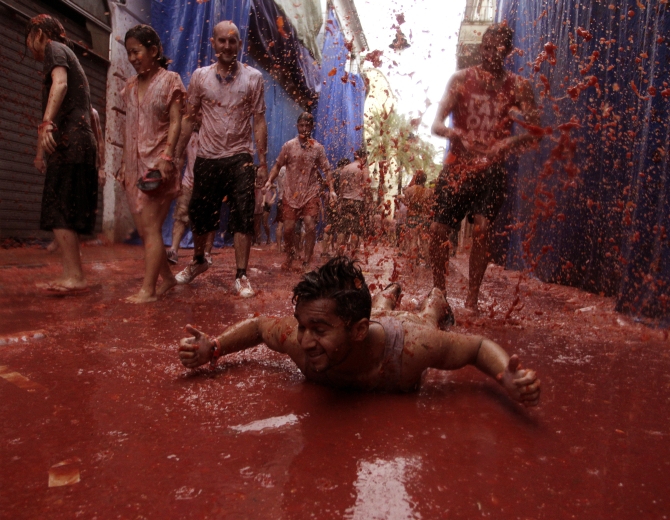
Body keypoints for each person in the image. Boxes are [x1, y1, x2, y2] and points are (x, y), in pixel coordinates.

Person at [178, 256, 541, 405]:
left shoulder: (416, 349)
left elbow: (476, 347)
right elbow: (259, 325)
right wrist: (214, 347)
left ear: (357, 331)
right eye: (303, 326)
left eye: (317, 329)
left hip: (400, 331)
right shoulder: (300, 341)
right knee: (379, 307)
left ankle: (435, 297)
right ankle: (387, 295)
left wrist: (503, 376)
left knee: (426, 314)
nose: (305, 340)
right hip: (370, 323)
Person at [430, 24, 541, 311]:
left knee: (482, 229)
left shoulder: (518, 86)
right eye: (488, 47)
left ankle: (471, 299)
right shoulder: (460, 79)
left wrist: (506, 144)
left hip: (492, 168)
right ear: (482, 48)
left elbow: (536, 130)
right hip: (457, 166)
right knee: (439, 230)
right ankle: (438, 293)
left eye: (499, 49)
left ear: (507, 51)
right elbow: (437, 125)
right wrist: (458, 135)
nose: (492, 54)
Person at [173, 21, 268, 298]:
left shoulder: (253, 78)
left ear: (240, 45)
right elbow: (190, 118)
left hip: (240, 156)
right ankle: (199, 260)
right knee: (201, 217)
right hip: (207, 157)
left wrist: (262, 162)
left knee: (242, 216)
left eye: (233, 41)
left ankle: (241, 275)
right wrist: (177, 156)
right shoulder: (200, 77)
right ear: (213, 44)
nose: (228, 46)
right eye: (222, 41)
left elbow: (259, 121)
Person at [27, 15, 100, 294]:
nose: (30, 48)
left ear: (38, 33)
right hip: (76, 141)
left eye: (29, 39)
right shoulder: (66, 52)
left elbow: (60, 85)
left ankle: (74, 276)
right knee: (64, 209)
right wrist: (39, 152)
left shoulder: (54, 48)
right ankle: (72, 273)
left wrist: (46, 123)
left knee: (59, 209)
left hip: (73, 141)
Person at [116, 25, 185, 304]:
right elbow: (128, 127)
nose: (132, 58)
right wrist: (123, 164)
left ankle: (148, 290)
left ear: (153, 51)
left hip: (158, 164)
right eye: (129, 53)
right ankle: (167, 278)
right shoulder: (129, 87)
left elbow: (177, 122)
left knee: (152, 228)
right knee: (146, 230)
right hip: (133, 167)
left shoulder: (170, 80)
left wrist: (167, 156)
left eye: (137, 51)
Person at [265, 112, 335, 272]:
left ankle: (307, 261)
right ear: (297, 126)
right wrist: (270, 181)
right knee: (288, 229)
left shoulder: (318, 148)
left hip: (310, 193)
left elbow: (327, 169)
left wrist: (332, 190)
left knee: (310, 225)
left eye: (307, 125)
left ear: (311, 127)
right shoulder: (289, 146)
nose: (304, 128)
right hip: (291, 193)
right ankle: (290, 256)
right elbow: (277, 165)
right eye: (301, 125)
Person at [167, 115, 214, 267]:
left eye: (202, 114)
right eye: (198, 114)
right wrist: (177, 180)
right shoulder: (189, 136)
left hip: (208, 185)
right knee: (181, 216)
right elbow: (181, 158)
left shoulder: (214, 135)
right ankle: (174, 249)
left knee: (208, 221)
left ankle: (206, 253)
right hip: (188, 182)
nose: (199, 116)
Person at [336, 149, 370, 257]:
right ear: (363, 157)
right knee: (355, 230)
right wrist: (368, 202)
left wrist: (340, 202)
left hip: (345, 200)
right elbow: (366, 187)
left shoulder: (345, 168)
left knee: (343, 228)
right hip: (358, 202)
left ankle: (339, 255)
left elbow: (341, 187)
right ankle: (353, 256)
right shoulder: (363, 169)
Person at [404, 171, 433, 265]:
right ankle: (428, 261)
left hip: (412, 218)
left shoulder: (409, 190)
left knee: (413, 239)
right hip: (423, 218)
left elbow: (406, 202)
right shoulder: (429, 191)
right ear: (425, 180)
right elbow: (430, 205)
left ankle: (414, 260)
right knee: (424, 240)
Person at [320, 158, 346, 258]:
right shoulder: (345, 174)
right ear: (344, 165)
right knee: (340, 229)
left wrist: (326, 198)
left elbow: (322, 189)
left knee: (329, 227)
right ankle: (338, 254)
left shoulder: (331, 174)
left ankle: (324, 252)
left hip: (331, 203)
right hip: (341, 203)